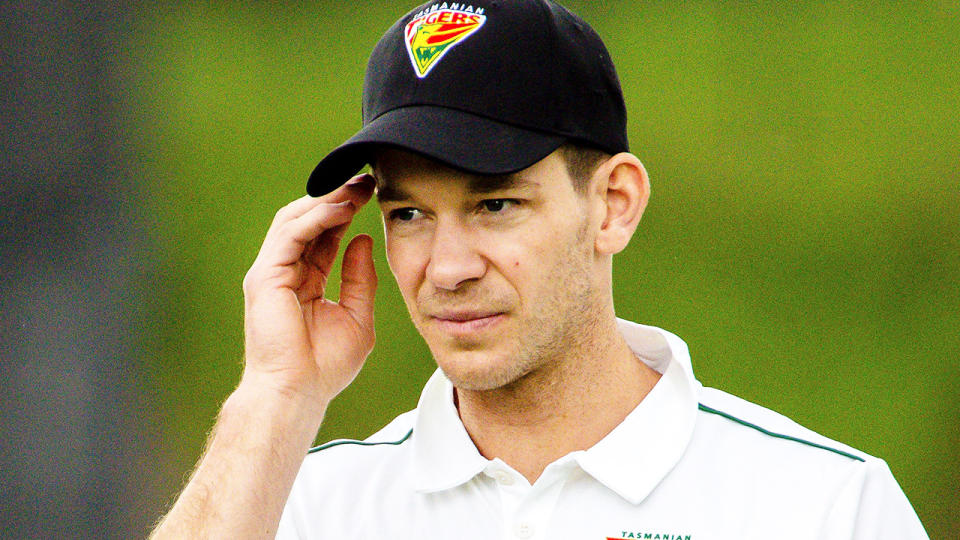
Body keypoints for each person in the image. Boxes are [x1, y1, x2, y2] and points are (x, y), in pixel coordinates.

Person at [152, 1, 928, 538]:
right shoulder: (300, 506)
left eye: (495, 205)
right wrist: (273, 397)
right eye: (408, 214)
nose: (446, 268)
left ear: (614, 204)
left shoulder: (825, 510)